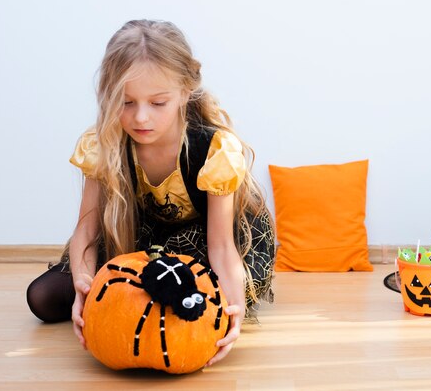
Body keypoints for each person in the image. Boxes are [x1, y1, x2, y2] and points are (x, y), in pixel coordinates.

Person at [26, 19, 275, 366]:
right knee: (43, 297)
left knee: (180, 299)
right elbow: (87, 230)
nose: (141, 117)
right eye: (127, 102)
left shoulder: (214, 148)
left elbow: (220, 246)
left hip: (206, 240)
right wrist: (85, 284)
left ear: (185, 92)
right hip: (140, 235)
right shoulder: (105, 144)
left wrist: (231, 313)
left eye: (158, 103)